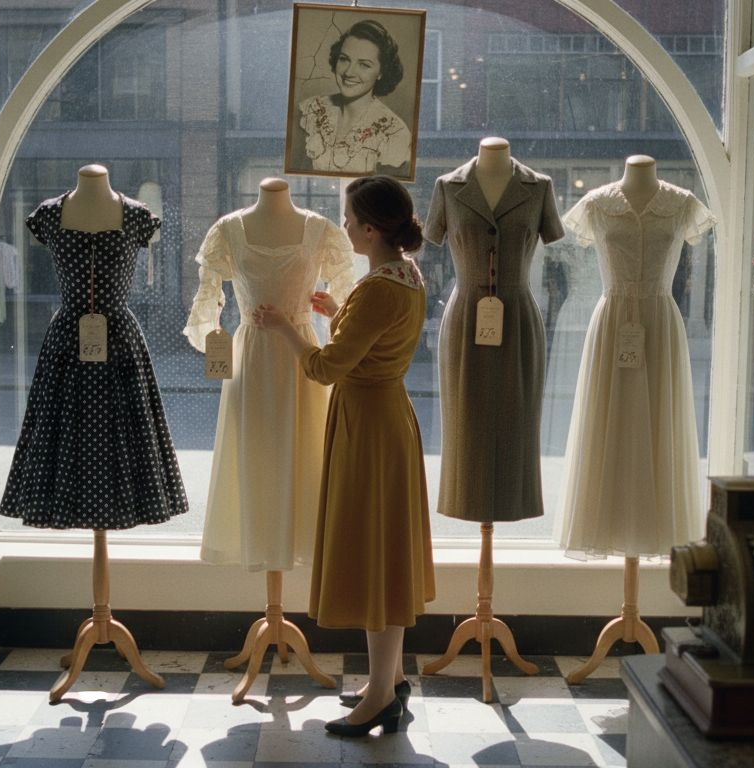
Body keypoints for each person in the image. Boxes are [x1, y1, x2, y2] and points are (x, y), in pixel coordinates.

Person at [253, 175, 434, 737]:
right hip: (390, 417)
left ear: (372, 228)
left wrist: (287, 327)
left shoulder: (378, 286)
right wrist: (339, 312)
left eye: (352, 220)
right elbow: (377, 339)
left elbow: (326, 368)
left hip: (369, 428)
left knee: (375, 557)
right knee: (386, 550)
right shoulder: (406, 276)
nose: (347, 227)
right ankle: (392, 679)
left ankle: (381, 695)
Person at [292, 19, 412, 176]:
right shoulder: (310, 110)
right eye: (344, 59)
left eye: (364, 65)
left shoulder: (395, 133)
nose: (349, 72)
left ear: (381, 73)